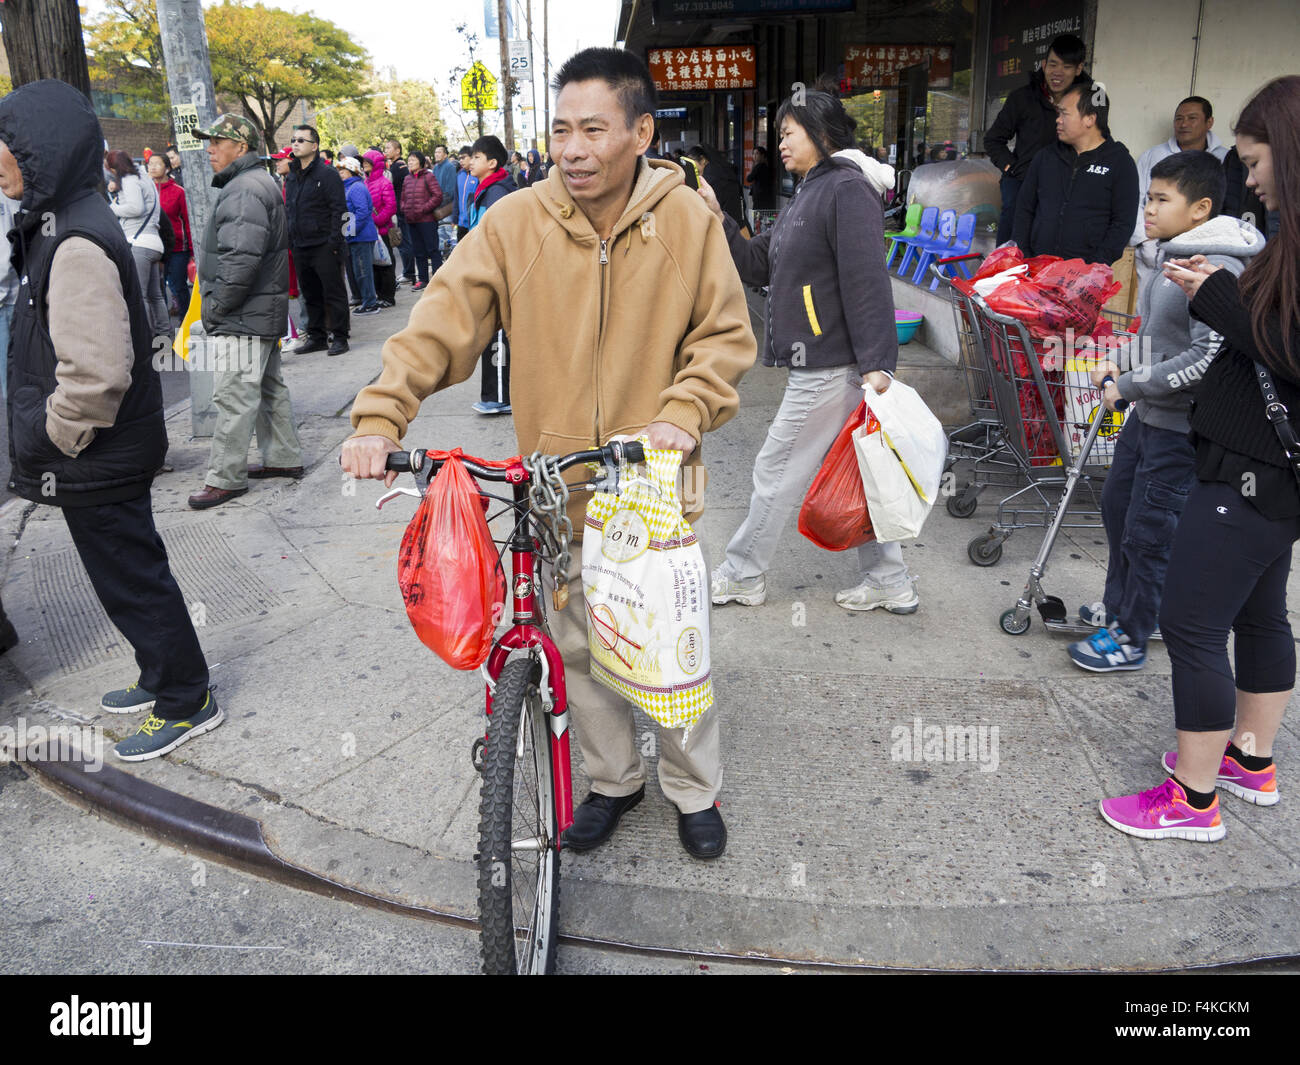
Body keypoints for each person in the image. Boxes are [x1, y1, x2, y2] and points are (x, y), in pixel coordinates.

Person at [341, 47, 756, 860]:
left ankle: (692, 787)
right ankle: (613, 781)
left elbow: (724, 336)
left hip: (653, 478)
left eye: (593, 129)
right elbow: (440, 321)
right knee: (576, 645)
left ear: (639, 132)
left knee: (670, 644)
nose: (572, 148)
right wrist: (380, 415)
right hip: (555, 485)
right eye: (560, 130)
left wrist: (682, 411)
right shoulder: (513, 223)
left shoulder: (686, 220)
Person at [1099, 76, 1300, 842]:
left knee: (1188, 623)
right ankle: (1250, 758)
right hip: (1269, 469)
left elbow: (1282, 350)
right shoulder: (1281, 237)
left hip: (1251, 468)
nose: (1248, 177)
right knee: (1258, 613)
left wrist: (1216, 297)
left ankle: (1191, 798)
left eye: (1256, 161)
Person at [0, 79, 219, 760]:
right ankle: (160, 675)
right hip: (94, 454)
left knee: (134, 575)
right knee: (126, 571)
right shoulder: (60, 221)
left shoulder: (76, 243)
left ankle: (188, 695)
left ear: (42, 156)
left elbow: (96, 377)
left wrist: (50, 436)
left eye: (6, 150)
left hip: (94, 451)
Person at [702, 83, 914, 616]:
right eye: (779, 134)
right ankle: (890, 579)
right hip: (826, 362)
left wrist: (877, 365)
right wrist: (715, 214)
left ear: (819, 133)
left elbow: (867, 281)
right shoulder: (812, 191)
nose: (781, 143)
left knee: (776, 468)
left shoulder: (846, 191)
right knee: (861, 471)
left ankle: (742, 572)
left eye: (788, 132)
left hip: (832, 365)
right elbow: (757, 263)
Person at [1070, 151, 1263, 674]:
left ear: (1200, 207)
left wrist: (1129, 385)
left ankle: (1132, 635)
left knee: (1150, 530)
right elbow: (1154, 335)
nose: (1148, 211)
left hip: (1181, 428)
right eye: (1147, 199)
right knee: (1117, 508)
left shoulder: (1216, 268)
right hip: (1148, 417)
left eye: (1160, 200)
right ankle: (1123, 609)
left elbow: (1208, 358)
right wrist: (1118, 359)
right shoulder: (1166, 257)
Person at [186, 114, 304, 510]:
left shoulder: (243, 189)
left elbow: (241, 260)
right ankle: (283, 459)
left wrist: (216, 308)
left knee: (234, 395)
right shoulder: (256, 183)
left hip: (243, 314)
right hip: (257, 312)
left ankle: (226, 478)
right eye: (209, 142)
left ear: (241, 147)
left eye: (217, 142)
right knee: (269, 390)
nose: (210, 149)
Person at [1012, 81, 1138, 266]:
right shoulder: (1045, 157)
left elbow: (1123, 223)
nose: (1058, 119)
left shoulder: (1120, 162)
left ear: (1089, 119)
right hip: (1037, 270)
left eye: (1064, 113)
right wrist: (1026, 258)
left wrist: (1096, 266)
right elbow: (1024, 210)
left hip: (1086, 278)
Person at [985, 33, 1090, 242]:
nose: (1057, 73)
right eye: (1053, 64)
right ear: (1043, 65)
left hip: (1068, 183)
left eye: (1067, 67)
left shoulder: (1091, 100)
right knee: (1012, 245)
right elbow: (993, 139)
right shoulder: (1022, 97)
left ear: (1079, 69)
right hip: (1022, 181)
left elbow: (1098, 139)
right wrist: (1011, 168)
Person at [1131, 97, 1230, 285]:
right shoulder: (1153, 155)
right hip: (1152, 248)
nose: (1183, 124)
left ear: (1209, 122)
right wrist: (1145, 242)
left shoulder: (1225, 159)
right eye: (1179, 118)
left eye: (1192, 118)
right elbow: (1137, 201)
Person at [285, 124, 350, 356]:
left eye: (301, 140)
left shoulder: (328, 174)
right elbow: (290, 209)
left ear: (314, 146)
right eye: (294, 139)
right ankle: (317, 337)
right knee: (310, 294)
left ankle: (340, 337)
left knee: (333, 293)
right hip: (301, 245)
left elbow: (340, 211)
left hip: (325, 244)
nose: (296, 143)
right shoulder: (292, 176)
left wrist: (335, 243)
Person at [465, 135, 517, 415]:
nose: (470, 162)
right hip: (491, 269)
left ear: (492, 162)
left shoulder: (496, 192)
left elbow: (493, 237)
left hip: (498, 272)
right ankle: (499, 394)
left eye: (476, 157)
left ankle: (498, 396)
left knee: (497, 334)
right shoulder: (489, 187)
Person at [105, 149, 171, 339]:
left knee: (140, 296)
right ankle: (163, 338)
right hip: (154, 243)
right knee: (155, 296)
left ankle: (146, 338)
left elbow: (136, 207)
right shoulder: (144, 177)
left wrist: (113, 208)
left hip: (139, 242)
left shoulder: (129, 180)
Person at [147, 151, 191, 317]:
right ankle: (162, 323)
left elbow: (187, 221)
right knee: (157, 288)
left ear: (167, 168)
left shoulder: (178, 191)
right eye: (150, 164)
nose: (152, 167)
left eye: (157, 164)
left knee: (179, 286)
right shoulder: (145, 190)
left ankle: (184, 322)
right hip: (153, 246)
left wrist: (192, 251)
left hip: (178, 247)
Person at [338, 155, 380, 316]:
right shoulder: (348, 187)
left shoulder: (356, 188)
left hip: (361, 237)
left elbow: (362, 212)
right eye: (340, 170)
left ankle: (370, 303)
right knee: (359, 271)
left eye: (344, 170)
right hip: (355, 236)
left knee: (363, 271)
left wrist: (349, 232)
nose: (341, 173)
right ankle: (367, 301)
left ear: (352, 171)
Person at [400, 151, 443, 289]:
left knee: (432, 250)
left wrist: (423, 209)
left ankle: (438, 279)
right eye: (409, 160)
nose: (410, 162)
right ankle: (423, 280)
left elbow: (438, 196)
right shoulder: (407, 179)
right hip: (412, 221)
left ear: (420, 162)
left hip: (427, 220)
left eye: (413, 160)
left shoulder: (428, 176)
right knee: (418, 251)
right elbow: (403, 198)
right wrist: (404, 208)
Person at [363, 150, 397, 307]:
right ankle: (380, 295)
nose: (364, 164)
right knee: (375, 264)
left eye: (367, 161)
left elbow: (391, 206)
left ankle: (388, 297)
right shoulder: (365, 183)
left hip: (382, 230)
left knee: (386, 264)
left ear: (375, 163)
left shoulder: (385, 182)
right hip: (371, 232)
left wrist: (376, 220)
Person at [384, 140, 415, 286]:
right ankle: (408, 272)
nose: (386, 150)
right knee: (404, 241)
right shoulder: (397, 166)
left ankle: (408, 273)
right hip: (401, 209)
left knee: (404, 241)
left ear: (398, 151)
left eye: (389, 147)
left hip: (401, 210)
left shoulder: (398, 167)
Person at [454, 145, 477, 242]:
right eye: (459, 158)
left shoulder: (477, 174)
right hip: (461, 223)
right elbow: (456, 198)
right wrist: (455, 218)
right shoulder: (459, 174)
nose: (461, 161)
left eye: (463, 158)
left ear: (472, 157)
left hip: (474, 223)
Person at [746, 145, 775, 210]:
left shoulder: (759, 166)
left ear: (762, 155)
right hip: (765, 196)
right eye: (753, 154)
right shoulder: (765, 166)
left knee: (757, 216)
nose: (754, 156)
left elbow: (749, 179)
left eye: (757, 153)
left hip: (760, 197)